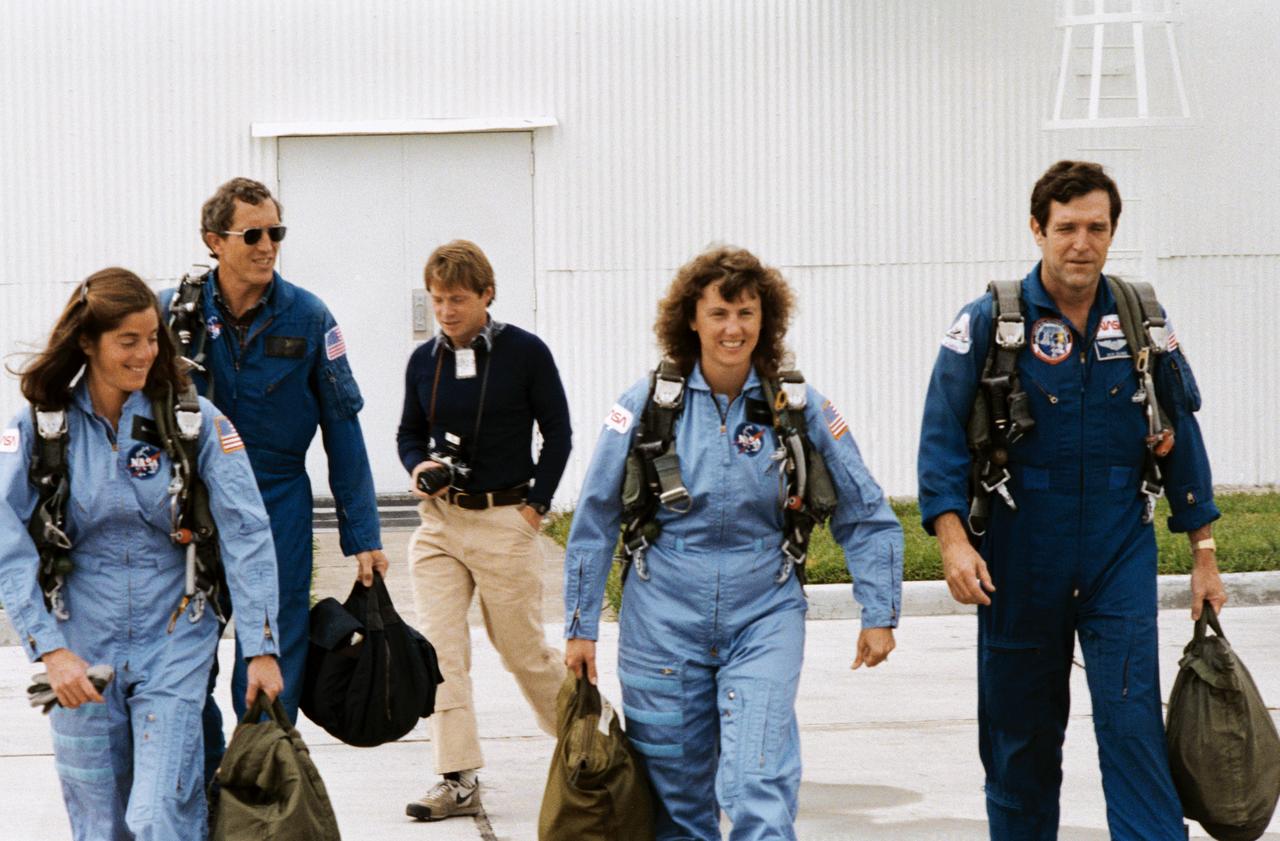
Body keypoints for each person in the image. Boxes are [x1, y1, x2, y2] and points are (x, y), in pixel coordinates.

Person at [917, 160, 1227, 840]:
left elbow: (1181, 428)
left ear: (1113, 232)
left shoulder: (1142, 316)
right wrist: (951, 539)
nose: (1081, 243)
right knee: (1020, 739)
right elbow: (940, 437)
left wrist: (1203, 551)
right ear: (1037, 229)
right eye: (1066, 228)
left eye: (1097, 227)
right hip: (1021, 551)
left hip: (1118, 547)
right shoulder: (990, 322)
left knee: (1133, 725)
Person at [564, 246, 903, 841]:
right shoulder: (642, 407)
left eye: (746, 313)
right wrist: (579, 624)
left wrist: (880, 610)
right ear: (690, 319)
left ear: (764, 320)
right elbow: (593, 518)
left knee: (756, 781)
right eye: (719, 312)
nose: (733, 328)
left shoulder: (797, 408)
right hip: (662, 617)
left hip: (764, 613)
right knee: (676, 801)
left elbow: (865, 508)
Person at [0, 268, 283, 839]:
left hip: (175, 637)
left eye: (153, 338)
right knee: (101, 826)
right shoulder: (38, 428)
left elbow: (248, 533)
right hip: (80, 645)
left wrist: (262, 646)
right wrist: (49, 650)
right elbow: (5, 536)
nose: (146, 353)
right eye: (128, 341)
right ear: (88, 341)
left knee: (158, 818)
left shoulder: (196, 422)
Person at [158, 177, 388, 783]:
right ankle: (206, 783)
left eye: (276, 233)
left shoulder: (310, 318)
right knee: (184, 657)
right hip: (191, 507)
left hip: (277, 502)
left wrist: (361, 531)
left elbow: (343, 427)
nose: (268, 246)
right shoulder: (170, 317)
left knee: (272, 650)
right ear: (213, 240)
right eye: (252, 234)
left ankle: (262, 788)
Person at [396, 239, 573, 821]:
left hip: (505, 518)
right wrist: (419, 466)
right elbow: (407, 434)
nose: (446, 311)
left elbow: (559, 435)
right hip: (441, 523)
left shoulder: (525, 353)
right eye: (438, 299)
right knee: (441, 651)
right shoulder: (425, 361)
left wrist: (535, 509)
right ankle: (456, 778)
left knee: (523, 652)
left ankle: (588, 748)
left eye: (458, 299)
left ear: (487, 295)